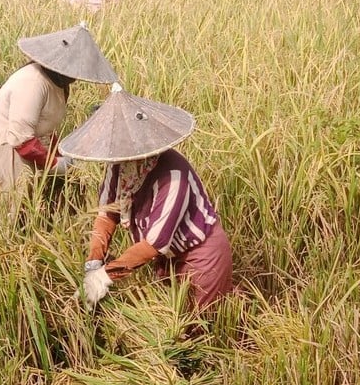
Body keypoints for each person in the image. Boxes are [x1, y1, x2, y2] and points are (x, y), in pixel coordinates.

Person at [63, 84, 234, 310]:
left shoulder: (173, 176)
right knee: (170, 314)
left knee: (202, 320)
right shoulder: (120, 165)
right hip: (166, 259)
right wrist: (94, 261)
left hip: (200, 257)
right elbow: (107, 213)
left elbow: (154, 244)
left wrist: (103, 277)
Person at [0, 23, 118, 207]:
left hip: (25, 158)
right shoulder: (32, 82)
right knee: (3, 213)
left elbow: (45, 128)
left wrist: (62, 154)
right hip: (3, 157)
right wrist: (55, 164)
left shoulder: (59, 84)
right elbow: (20, 139)